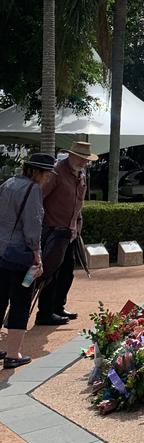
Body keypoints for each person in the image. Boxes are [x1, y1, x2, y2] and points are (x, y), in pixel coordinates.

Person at [0, 153, 56, 368]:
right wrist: (38, 257)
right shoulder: (32, 190)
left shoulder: (8, 183)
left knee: (0, 298)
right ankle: (13, 353)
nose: (48, 178)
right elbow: (32, 227)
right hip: (20, 256)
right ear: (39, 172)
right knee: (21, 302)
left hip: (1, 252)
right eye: (47, 173)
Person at [36, 140, 97, 326]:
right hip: (53, 231)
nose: (83, 161)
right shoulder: (55, 173)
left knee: (67, 272)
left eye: (86, 159)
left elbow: (79, 203)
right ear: (71, 155)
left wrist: (77, 225)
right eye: (81, 157)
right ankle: (45, 313)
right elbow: (39, 197)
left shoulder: (81, 175)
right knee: (50, 273)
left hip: (70, 232)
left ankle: (58, 307)